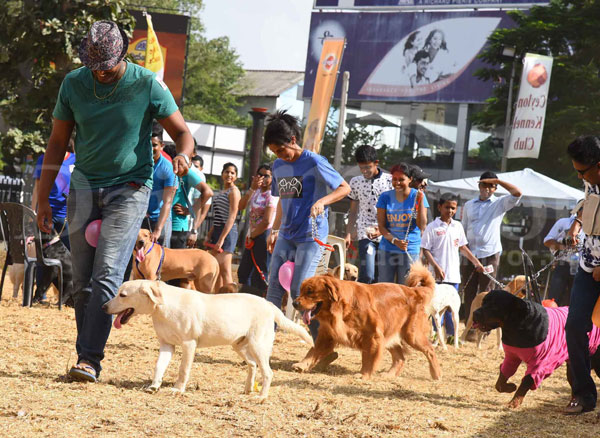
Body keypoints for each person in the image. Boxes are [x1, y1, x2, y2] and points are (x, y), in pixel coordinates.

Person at [36, 20, 193, 383]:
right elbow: (58, 143)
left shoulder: (147, 84)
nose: (102, 73)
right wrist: (43, 197)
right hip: (84, 187)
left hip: (130, 187)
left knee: (107, 274)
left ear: (122, 53)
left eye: (107, 65)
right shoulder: (74, 83)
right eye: (95, 67)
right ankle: (84, 354)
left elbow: (182, 133)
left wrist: (183, 156)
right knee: (81, 278)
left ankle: (89, 359)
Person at [264, 110, 350, 344]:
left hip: (310, 236)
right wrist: (274, 230)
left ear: (293, 140)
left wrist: (322, 201)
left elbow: (344, 188)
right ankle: (264, 345)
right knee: (273, 289)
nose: (280, 155)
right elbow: (282, 198)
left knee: (299, 293)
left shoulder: (314, 161)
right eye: (274, 152)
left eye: (281, 149)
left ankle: (322, 345)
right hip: (287, 234)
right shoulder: (278, 166)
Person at [564, 135, 600, 414]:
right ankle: (584, 395)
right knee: (575, 325)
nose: (579, 176)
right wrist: (577, 223)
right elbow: (588, 202)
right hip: (588, 265)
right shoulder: (591, 181)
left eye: (582, 171)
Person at [460, 171, 522, 321]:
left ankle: (484, 327)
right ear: (479, 185)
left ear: (495, 188)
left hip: (490, 253)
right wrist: (466, 252)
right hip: (469, 254)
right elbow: (463, 229)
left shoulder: (499, 203)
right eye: (484, 184)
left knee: (487, 292)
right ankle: (470, 326)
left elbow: (517, 193)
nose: (486, 188)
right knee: (469, 291)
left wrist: (498, 181)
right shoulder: (469, 204)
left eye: (491, 186)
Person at [421, 193, 483, 340]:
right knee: (437, 307)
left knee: (452, 307)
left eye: (453, 208)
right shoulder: (432, 227)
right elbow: (425, 249)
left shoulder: (458, 226)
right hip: (436, 276)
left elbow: (463, 247)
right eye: (447, 207)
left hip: (453, 275)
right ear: (439, 207)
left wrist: (476, 262)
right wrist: (435, 267)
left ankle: (450, 336)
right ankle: (437, 336)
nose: (450, 211)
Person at [31, 139, 76, 304]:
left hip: (67, 216)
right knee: (43, 256)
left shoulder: (75, 160)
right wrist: (33, 211)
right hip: (46, 212)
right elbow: (37, 186)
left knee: (71, 256)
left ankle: (71, 297)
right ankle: (40, 295)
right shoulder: (43, 159)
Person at [344, 145, 393, 284]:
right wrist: (348, 233)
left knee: (380, 278)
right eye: (362, 168)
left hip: (386, 234)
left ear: (376, 163)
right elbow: (353, 210)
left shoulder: (390, 181)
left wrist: (383, 230)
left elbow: (395, 209)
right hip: (365, 233)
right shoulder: (355, 182)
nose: (365, 171)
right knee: (368, 275)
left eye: (368, 167)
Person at [376, 162, 427, 283]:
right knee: (385, 287)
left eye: (401, 179)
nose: (397, 183)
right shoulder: (385, 197)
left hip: (409, 249)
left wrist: (419, 202)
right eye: (394, 179)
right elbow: (382, 227)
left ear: (410, 179)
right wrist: (395, 241)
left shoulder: (417, 196)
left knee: (406, 289)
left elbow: (422, 225)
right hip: (387, 248)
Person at [237, 164, 278, 296]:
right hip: (253, 234)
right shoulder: (256, 191)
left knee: (259, 273)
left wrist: (253, 235)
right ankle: (244, 298)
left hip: (263, 235)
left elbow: (266, 221)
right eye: (260, 174)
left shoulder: (272, 195)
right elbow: (241, 206)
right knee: (243, 271)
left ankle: (258, 300)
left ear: (273, 178)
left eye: (266, 175)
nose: (262, 178)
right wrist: (251, 189)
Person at [206, 163, 241, 290]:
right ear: (222, 174)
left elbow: (232, 216)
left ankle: (231, 300)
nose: (229, 175)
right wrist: (210, 233)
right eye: (227, 172)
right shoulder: (222, 192)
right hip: (218, 231)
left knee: (226, 270)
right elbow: (218, 216)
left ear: (236, 177)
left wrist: (221, 239)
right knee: (217, 270)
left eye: (232, 173)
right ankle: (219, 298)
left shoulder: (234, 191)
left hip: (228, 232)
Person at [142, 122, 177, 247]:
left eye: (154, 145)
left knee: (161, 260)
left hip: (160, 219)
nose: (151, 148)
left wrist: (158, 230)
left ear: (162, 146)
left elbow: (167, 202)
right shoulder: (139, 165)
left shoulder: (168, 168)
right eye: (148, 145)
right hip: (141, 217)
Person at [543, 205, 584, 306]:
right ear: (578, 211)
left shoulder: (594, 226)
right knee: (554, 298)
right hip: (563, 264)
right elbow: (547, 241)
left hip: (582, 267)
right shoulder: (564, 222)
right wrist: (562, 246)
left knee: (575, 300)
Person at [170, 164, 213, 250]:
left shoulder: (192, 173)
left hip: (179, 225)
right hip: (161, 222)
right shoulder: (166, 166)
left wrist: (194, 230)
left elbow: (205, 197)